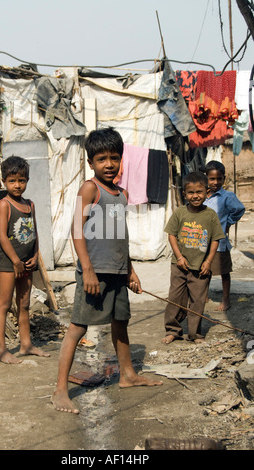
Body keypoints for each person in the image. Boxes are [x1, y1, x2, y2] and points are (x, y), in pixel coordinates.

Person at [51, 127, 163, 414]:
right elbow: (77, 229)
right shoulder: (90, 189)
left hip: (117, 272)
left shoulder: (121, 193)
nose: (109, 164)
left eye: (114, 158)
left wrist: (131, 270)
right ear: (91, 163)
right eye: (102, 159)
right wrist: (87, 269)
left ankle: (127, 375)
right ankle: (60, 390)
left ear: (121, 160)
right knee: (78, 327)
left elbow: (119, 235)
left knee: (120, 322)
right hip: (95, 273)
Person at [0, 156, 50, 364]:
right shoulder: (4, 205)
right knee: (5, 304)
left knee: (24, 303)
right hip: (10, 264)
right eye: (12, 181)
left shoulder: (30, 204)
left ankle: (26, 344)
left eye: (22, 180)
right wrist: (16, 260)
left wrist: (35, 256)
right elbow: (1, 235)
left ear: (27, 180)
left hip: (26, 262)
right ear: (4, 181)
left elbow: (35, 233)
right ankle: (1, 350)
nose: (17, 185)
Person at [161, 171, 225, 345]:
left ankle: (194, 334)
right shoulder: (180, 213)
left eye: (199, 192)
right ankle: (173, 330)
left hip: (201, 267)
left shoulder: (210, 215)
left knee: (197, 301)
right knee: (175, 298)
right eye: (191, 192)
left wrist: (208, 261)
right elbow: (172, 236)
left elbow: (215, 240)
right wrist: (179, 257)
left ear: (206, 192)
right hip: (179, 265)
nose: (195, 196)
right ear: (184, 194)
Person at [204, 160, 245, 311]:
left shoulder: (227, 196)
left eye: (219, 178)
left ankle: (226, 300)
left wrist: (228, 223)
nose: (215, 182)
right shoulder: (203, 196)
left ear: (224, 178)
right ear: (206, 178)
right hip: (203, 242)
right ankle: (204, 296)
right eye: (212, 179)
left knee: (224, 271)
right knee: (204, 270)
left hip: (220, 242)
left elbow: (239, 209)